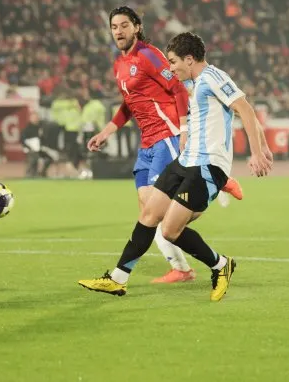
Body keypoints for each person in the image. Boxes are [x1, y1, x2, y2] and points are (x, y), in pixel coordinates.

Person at [79, 32, 273, 301]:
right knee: (149, 214)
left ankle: (221, 265)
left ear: (189, 59)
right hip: (185, 161)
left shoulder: (213, 78)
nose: (170, 68)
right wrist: (263, 145)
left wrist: (257, 152)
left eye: (173, 62)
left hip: (207, 165)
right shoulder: (195, 83)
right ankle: (117, 279)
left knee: (170, 231)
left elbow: (246, 109)